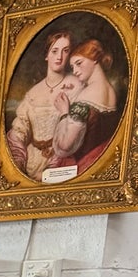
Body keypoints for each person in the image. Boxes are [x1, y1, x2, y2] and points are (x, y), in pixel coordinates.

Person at [5, 28, 73, 181]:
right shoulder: (33, 93)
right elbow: (20, 131)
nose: (59, 57)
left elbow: (75, 134)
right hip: (31, 163)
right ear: (47, 55)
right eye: (54, 51)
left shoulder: (75, 86)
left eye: (65, 51)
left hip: (61, 165)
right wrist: (18, 164)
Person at [47, 39, 120, 177]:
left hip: (84, 163)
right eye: (72, 66)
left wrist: (64, 113)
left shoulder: (86, 96)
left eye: (79, 63)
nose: (75, 71)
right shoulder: (111, 91)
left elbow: (65, 147)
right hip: (101, 160)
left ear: (95, 59)